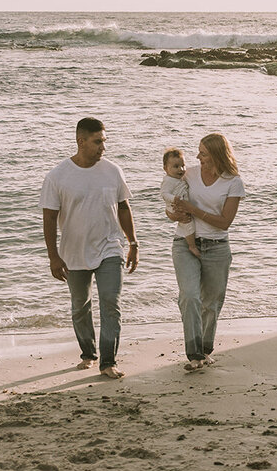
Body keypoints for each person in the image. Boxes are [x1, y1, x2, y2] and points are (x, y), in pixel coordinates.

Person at [41, 117, 139, 379]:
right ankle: (88, 353)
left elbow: (123, 207)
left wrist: (133, 242)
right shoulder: (58, 176)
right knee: (80, 306)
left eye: (104, 141)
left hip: (110, 247)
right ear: (80, 141)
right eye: (97, 142)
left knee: (110, 303)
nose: (102, 147)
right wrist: (53, 256)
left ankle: (108, 361)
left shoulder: (113, 171)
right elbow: (49, 217)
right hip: (73, 252)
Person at [166, 132, 245, 372]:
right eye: (199, 152)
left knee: (211, 302)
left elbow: (224, 222)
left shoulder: (233, 181)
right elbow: (171, 206)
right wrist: (174, 214)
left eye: (203, 153)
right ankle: (194, 353)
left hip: (217, 246)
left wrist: (193, 209)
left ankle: (205, 349)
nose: (198, 156)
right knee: (189, 296)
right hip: (185, 243)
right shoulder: (187, 174)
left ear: (217, 155)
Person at [159, 147, 199, 257]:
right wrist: (173, 199)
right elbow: (164, 194)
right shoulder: (168, 180)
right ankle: (192, 246)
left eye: (183, 166)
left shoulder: (179, 178)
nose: (181, 169)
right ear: (165, 168)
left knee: (187, 222)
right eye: (176, 167)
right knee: (188, 223)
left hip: (181, 204)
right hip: (174, 205)